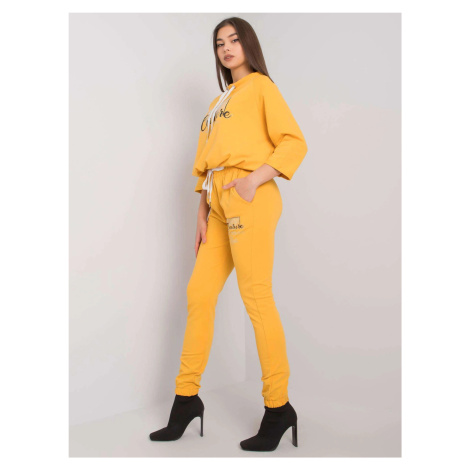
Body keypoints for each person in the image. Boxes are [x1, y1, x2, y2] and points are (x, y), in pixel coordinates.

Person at [149, 16, 307, 452]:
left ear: (248, 44)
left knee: (256, 297)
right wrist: (201, 210)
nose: (227, 48)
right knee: (199, 294)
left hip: (249, 195)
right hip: (217, 202)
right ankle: (186, 400)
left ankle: (278, 407)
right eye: (220, 43)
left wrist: (254, 180)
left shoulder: (261, 87)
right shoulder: (217, 103)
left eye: (234, 40)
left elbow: (294, 141)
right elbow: (208, 163)